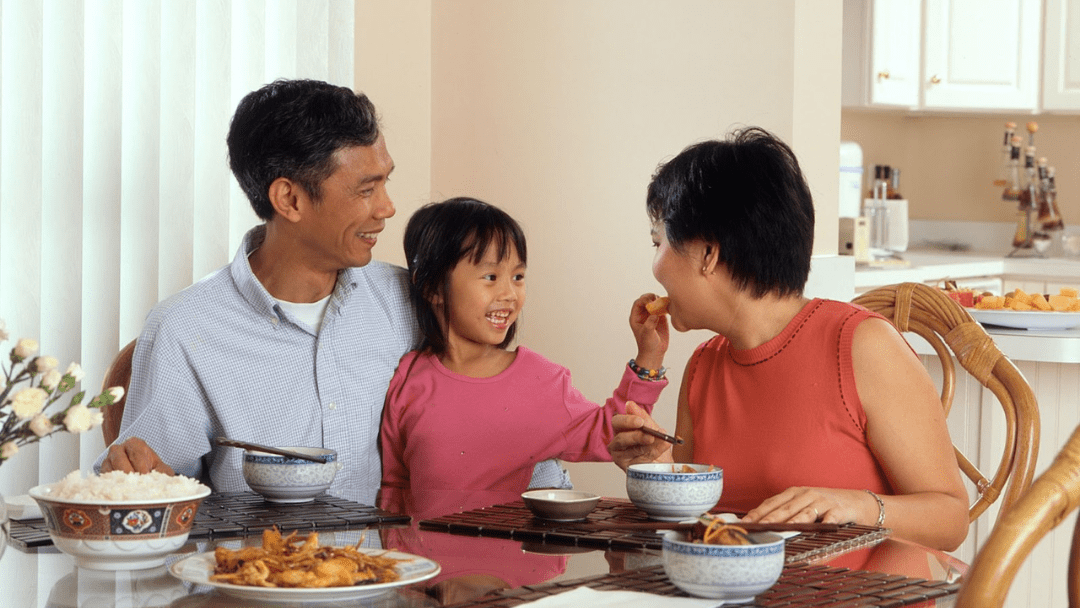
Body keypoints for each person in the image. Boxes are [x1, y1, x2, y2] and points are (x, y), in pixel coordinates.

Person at [93, 79, 572, 505]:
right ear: (291, 199)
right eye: (366, 190)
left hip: (412, 588)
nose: (387, 207)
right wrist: (133, 483)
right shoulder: (186, 329)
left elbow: (502, 405)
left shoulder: (414, 300)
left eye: (386, 181)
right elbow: (148, 494)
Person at [607, 128, 969, 552]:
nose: (655, 267)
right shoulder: (704, 366)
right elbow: (705, 528)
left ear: (709, 254)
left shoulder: (863, 346)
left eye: (659, 242)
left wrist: (854, 505)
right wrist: (659, 468)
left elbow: (951, 519)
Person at [380, 197, 670, 517]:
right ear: (432, 287)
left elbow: (614, 432)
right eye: (490, 277)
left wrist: (649, 357)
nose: (509, 294)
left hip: (513, 561)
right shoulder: (409, 377)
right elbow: (395, 489)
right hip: (426, 563)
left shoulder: (540, 380)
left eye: (518, 277)